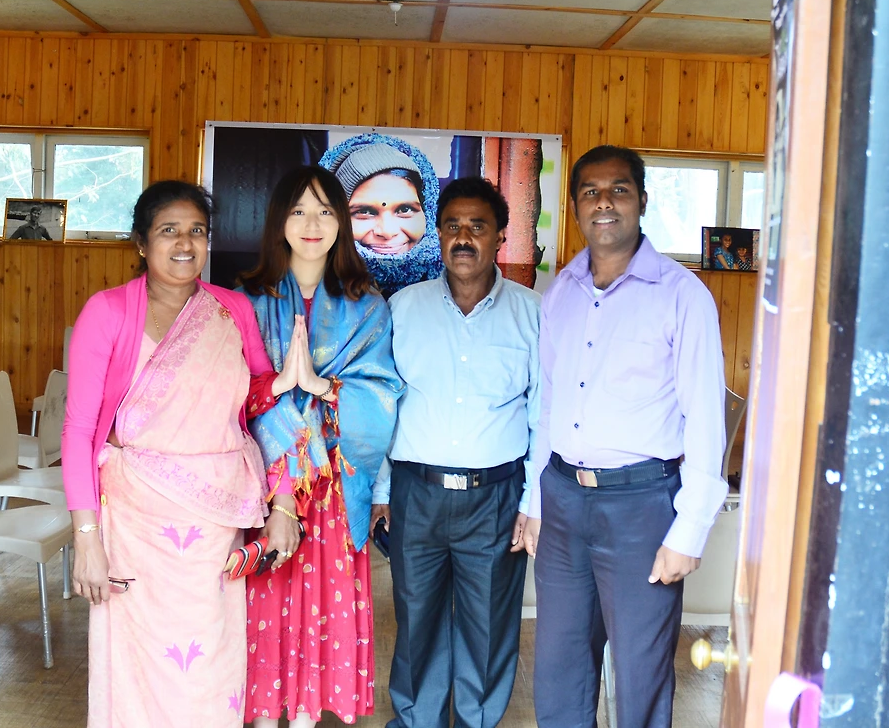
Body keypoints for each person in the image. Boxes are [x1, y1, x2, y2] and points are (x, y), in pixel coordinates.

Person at [523, 145, 727, 728]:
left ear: (642, 200)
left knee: (640, 676)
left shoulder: (682, 295)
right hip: (563, 500)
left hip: (643, 507)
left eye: (619, 189)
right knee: (559, 672)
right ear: (575, 206)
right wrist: (536, 502)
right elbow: (549, 406)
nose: (604, 202)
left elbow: (705, 419)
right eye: (590, 191)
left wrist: (690, 528)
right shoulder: (560, 293)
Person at [63, 181, 278, 728]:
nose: (185, 243)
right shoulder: (107, 312)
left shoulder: (231, 310)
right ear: (141, 243)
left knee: (209, 664)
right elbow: (79, 430)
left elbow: (263, 400)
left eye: (197, 231)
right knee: (137, 662)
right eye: (169, 231)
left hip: (214, 524)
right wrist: (86, 538)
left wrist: (285, 501)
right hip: (136, 526)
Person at [371, 177, 541, 728]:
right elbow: (384, 407)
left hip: (496, 497)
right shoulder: (403, 308)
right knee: (416, 621)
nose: (463, 238)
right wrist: (381, 492)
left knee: (487, 629)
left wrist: (532, 503)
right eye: (452, 226)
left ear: (500, 237)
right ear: (438, 235)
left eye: (477, 226)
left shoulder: (533, 314)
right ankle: (415, 721)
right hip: (415, 494)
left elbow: (544, 414)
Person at [239, 167, 402, 728]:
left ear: (341, 224)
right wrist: (278, 387)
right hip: (268, 489)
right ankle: (264, 718)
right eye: (299, 210)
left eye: (325, 211)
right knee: (265, 609)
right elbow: (231, 398)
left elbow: (383, 398)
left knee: (321, 615)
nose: (312, 224)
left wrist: (324, 387)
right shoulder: (246, 302)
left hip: (334, 489)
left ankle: (308, 718)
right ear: (279, 220)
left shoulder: (368, 306)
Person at [319, 133, 442, 297]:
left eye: (404, 209)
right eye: (364, 212)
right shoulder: (313, 291)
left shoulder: (451, 289)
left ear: (429, 214)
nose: (387, 232)